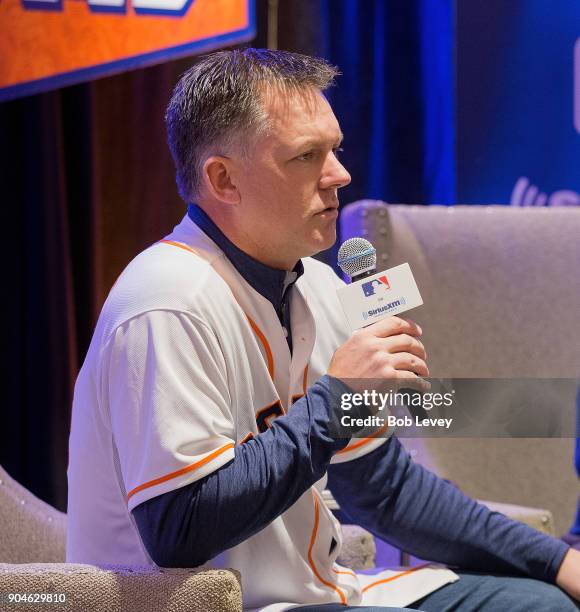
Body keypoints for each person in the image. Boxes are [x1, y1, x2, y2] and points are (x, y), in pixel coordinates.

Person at [66, 48, 580, 611]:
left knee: (544, 600)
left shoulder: (317, 285)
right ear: (223, 179)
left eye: (335, 149)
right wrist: (334, 400)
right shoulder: (166, 303)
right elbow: (180, 529)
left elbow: (384, 490)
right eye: (307, 156)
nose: (340, 174)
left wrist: (557, 560)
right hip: (198, 604)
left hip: (319, 593)